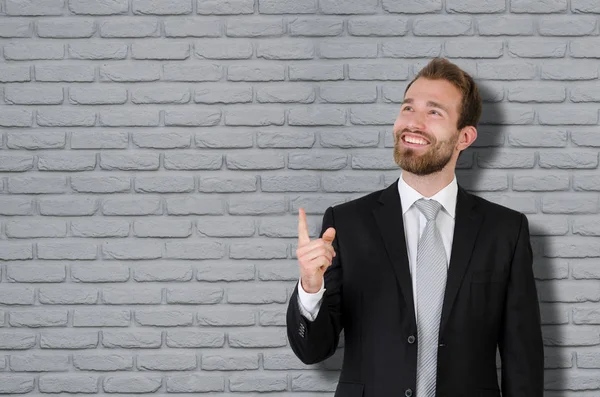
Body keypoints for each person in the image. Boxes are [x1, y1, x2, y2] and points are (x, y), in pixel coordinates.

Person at [286, 58, 544, 397]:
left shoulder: (505, 231)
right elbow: (313, 351)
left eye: (434, 112)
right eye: (408, 108)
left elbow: (522, 361)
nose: (413, 123)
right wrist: (310, 285)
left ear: (464, 137)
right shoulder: (347, 224)